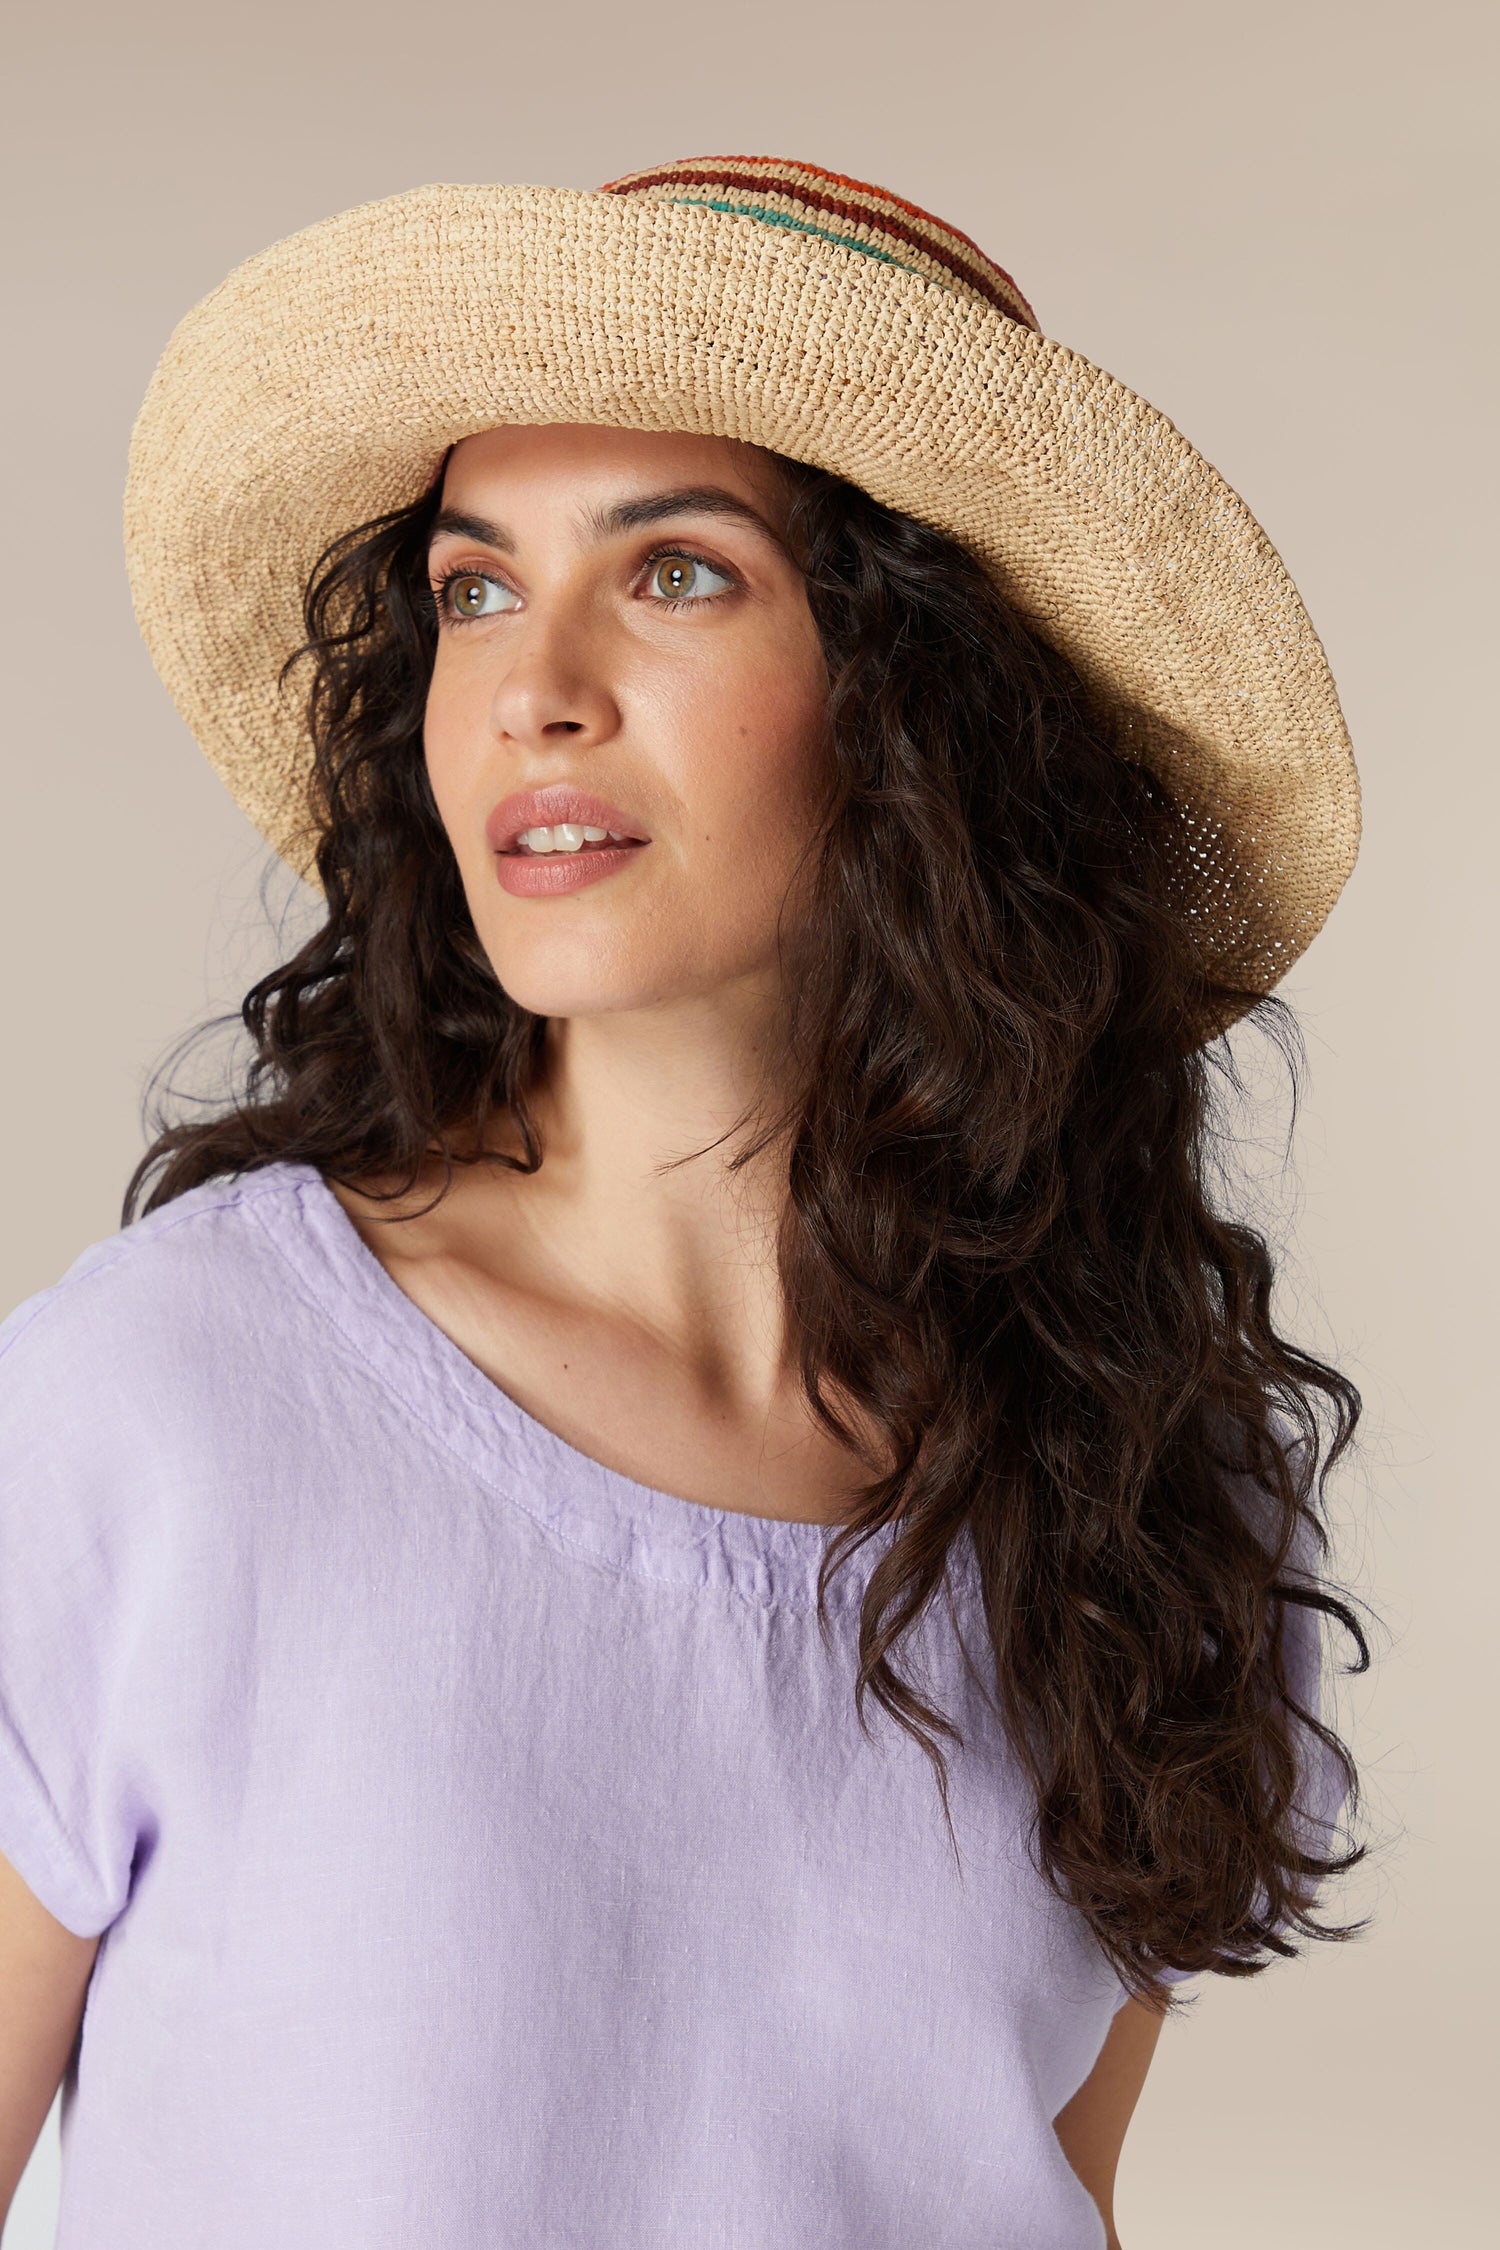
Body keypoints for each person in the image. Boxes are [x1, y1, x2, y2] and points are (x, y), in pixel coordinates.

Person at [0, 157, 1369, 2248]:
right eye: (471, 589)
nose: (534, 684)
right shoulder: (157, 1408)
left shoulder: (1149, 1493)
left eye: (679, 576)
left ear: (925, 717)